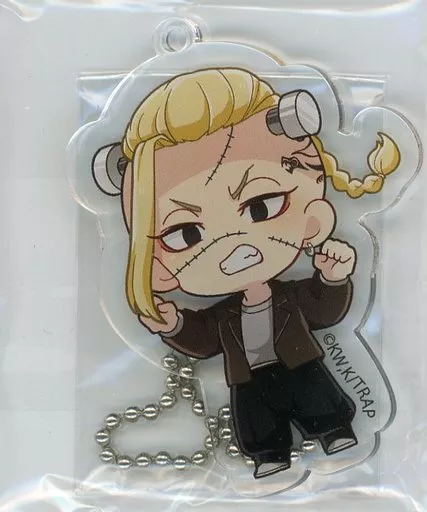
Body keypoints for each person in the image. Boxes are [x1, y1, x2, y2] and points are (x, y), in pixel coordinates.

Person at [92, 68, 401, 478]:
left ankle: (334, 430)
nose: (232, 246)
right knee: (256, 419)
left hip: (299, 362)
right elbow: (204, 341)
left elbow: (324, 311)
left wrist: (332, 278)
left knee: (318, 397)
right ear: (158, 265)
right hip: (248, 378)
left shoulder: (291, 296)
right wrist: (175, 324)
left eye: (261, 207)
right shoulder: (222, 316)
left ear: (313, 217)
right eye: (185, 234)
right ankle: (269, 454)